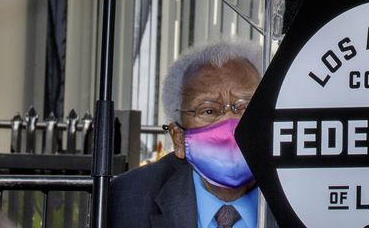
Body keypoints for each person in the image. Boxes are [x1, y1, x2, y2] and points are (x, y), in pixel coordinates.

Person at [109, 40, 264, 227]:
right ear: (179, 139)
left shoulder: (301, 192)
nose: (229, 122)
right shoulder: (129, 198)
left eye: (244, 107)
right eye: (208, 111)